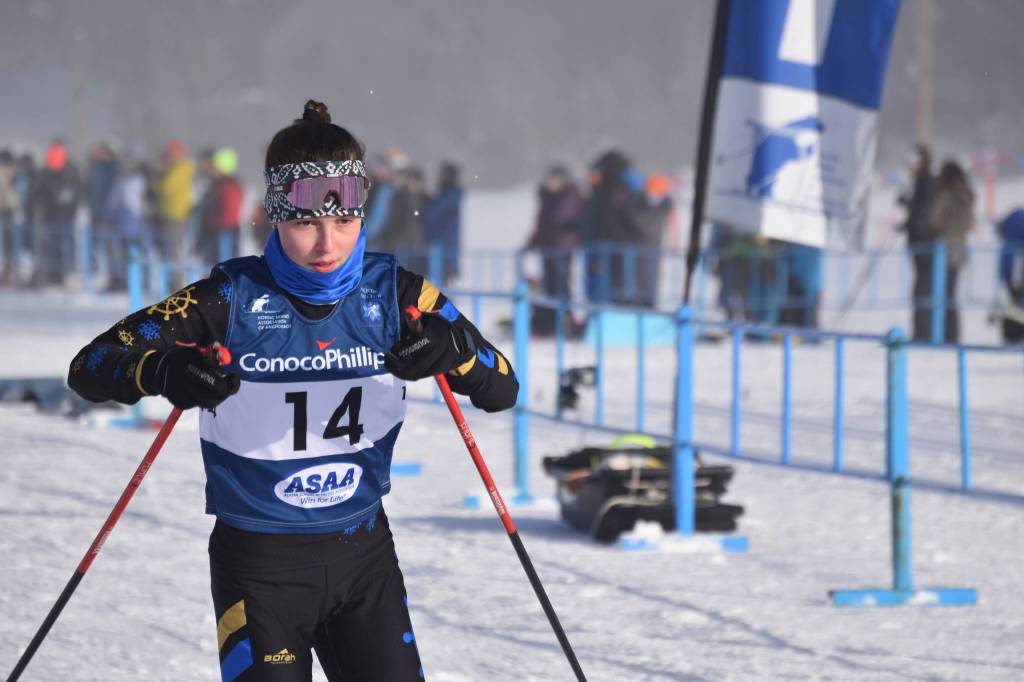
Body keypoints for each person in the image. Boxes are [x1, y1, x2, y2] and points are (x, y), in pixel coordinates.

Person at [67, 99, 518, 682]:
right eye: (306, 222)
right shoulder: (226, 299)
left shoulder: (399, 296)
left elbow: (501, 385)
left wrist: (452, 349)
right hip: (259, 572)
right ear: (275, 216)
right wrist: (163, 372)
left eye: (345, 221)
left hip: (364, 560)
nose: (328, 244)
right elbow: (92, 365)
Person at [524, 165, 583, 333]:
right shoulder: (547, 198)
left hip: (562, 249)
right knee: (549, 287)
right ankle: (550, 322)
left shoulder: (569, 196)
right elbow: (543, 224)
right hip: (548, 248)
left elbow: (561, 221)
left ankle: (564, 321)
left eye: (554, 179)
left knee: (561, 286)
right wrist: (533, 241)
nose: (550, 183)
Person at [928, 159, 974, 342]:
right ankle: (949, 334)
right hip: (957, 247)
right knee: (949, 293)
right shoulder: (965, 193)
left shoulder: (949, 194)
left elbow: (937, 219)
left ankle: (947, 335)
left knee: (946, 293)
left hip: (947, 248)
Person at [898, 145, 936, 341]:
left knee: (923, 289)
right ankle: (921, 331)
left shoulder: (927, 182)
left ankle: (925, 332)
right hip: (917, 240)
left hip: (925, 242)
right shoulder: (919, 182)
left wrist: (909, 208)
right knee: (920, 288)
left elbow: (923, 213)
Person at [156, 139, 196, 288]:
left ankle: (176, 282)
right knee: (170, 249)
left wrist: (159, 177)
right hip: (170, 214)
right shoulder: (179, 168)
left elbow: (167, 188)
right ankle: (172, 280)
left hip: (176, 215)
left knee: (174, 250)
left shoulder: (181, 169)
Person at [423, 161, 462, 288]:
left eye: (442, 173)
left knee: (444, 286)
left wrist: (427, 202)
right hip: (440, 246)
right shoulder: (446, 194)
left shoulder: (451, 195)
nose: (438, 176)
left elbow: (434, 214)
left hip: (445, 247)